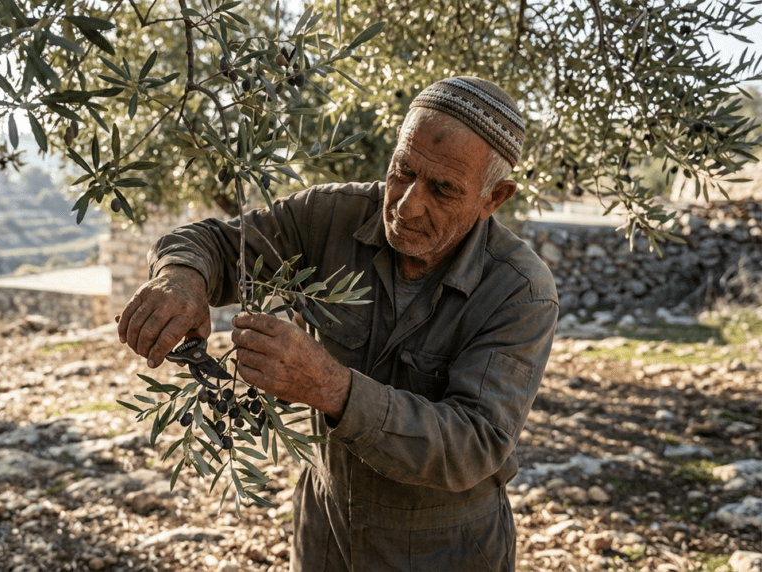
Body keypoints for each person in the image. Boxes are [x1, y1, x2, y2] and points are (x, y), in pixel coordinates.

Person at [117, 76, 558, 572]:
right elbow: (219, 244)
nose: (408, 203)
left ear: (493, 198)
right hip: (325, 534)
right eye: (402, 170)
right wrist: (182, 279)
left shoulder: (519, 290)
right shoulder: (332, 216)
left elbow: (475, 444)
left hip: (446, 550)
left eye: (443, 189)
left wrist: (331, 387)